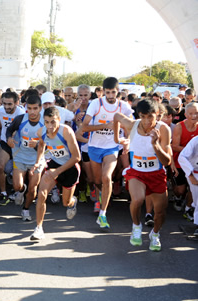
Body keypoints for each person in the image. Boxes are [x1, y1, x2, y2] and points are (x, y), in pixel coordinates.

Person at [114, 99, 172, 251]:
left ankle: (155, 234)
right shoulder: (132, 125)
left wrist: (155, 144)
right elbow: (117, 117)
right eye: (143, 116)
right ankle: (136, 226)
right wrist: (117, 138)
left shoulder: (163, 129)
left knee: (160, 212)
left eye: (150, 117)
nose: (147, 121)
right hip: (137, 173)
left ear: (157, 114)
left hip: (157, 174)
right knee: (138, 199)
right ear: (139, 115)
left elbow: (167, 161)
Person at [81, 77, 133, 230]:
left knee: (106, 177)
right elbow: (84, 128)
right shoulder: (96, 104)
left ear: (118, 92)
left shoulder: (123, 106)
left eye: (113, 93)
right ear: (103, 92)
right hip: (94, 147)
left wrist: (127, 140)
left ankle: (102, 213)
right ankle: (100, 197)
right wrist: (106, 125)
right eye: (108, 92)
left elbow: (131, 126)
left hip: (112, 147)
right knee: (97, 180)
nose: (111, 96)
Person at [29, 107, 81, 240]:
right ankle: (39, 228)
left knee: (66, 202)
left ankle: (72, 202)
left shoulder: (66, 131)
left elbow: (76, 157)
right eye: (47, 122)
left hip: (70, 168)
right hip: (54, 165)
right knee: (42, 193)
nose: (50, 126)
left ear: (59, 120)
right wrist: (38, 161)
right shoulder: (41, 132)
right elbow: (41, 145)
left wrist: (58, 171)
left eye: (53, 122)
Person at [6, 94, 45, 221]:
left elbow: (51, 142)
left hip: (37, 159)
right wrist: (9, 138)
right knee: (17, 186)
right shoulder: (20, 119)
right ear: (26, 107)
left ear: (40, 108)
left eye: (35, 108)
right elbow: (8, 130)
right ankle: (22, 190)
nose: (32, 112)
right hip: (20, 156)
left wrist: (37, 145)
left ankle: (26, 209)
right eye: (29, 108)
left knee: (33, 189)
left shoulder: (45, 122)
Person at [0, 91, 25, 205]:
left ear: (16, 103)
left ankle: (20, 190)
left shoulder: (21, 113)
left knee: (18, 173)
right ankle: (3, 193)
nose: (6, 107)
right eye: (4, 104)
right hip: (5, 142)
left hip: (18, 146)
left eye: (9, 104)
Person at [172, 102, 198, 219]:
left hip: (195, 163)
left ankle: (189, 208)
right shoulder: (179, 127)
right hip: (180, 161)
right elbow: (175, 146)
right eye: (191, 113)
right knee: (181, 190)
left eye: (196, 113)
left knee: (193, 187)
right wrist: (190, 151)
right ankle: (177, 197)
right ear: (186, 114)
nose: (194, 116)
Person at [178, 125, 198, 235]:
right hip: (195, 173)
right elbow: (182, 157)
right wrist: (190, 175)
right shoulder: (195, 141)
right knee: (197, 200)